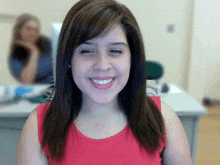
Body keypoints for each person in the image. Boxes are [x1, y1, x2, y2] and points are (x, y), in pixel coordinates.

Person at [16, 0, 192, 164]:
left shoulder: (162, 119)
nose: (102, 65)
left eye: (115, 51)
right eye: (86, 51)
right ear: (69, 58)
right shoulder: (39, 126)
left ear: (132, 58)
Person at [8, 14, 53, 84]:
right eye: (28, 29)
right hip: (38, 92)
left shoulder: (49, 44)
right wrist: (34, 52)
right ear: (19, 30)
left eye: (36, 30)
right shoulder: (15, 56)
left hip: (58, 88)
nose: (32, 33)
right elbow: (27, 81)